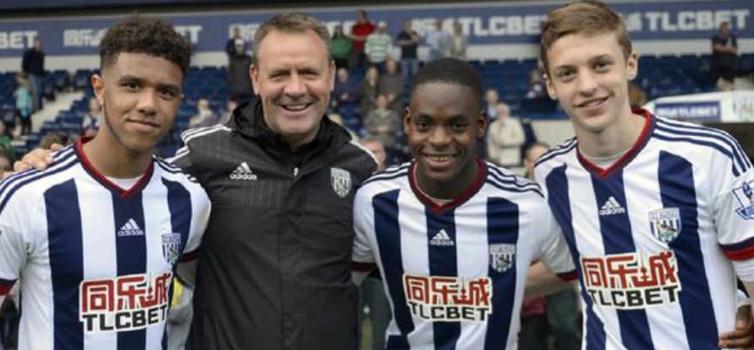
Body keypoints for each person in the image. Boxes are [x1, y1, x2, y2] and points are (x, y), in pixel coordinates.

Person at [534, 1, 754, 348]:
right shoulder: (551, 174)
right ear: (550, 85)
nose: (587, 85)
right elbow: (567, 264)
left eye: (601, 65)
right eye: (567, 73)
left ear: (630, 64)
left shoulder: (709, 156)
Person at [0, 15, 210, 350]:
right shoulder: (27, 195)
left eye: (166, 92)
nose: (148, 105)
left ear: (179, 101)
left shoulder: (190, 199)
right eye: (132, 85)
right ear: (99, 88)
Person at [172, 13, 377, 348]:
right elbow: (126, 189)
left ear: (330, 76)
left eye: (309, 73)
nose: (295, 89)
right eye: (280, 74)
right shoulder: (202, 156)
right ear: (255, 78)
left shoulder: (361, 168)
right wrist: (57, 160)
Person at [351, 57, 577, 349]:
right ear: (408, 123)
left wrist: (507, 285)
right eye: (424, 124)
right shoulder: (375, 200)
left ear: (480, 125)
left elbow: (568, 269)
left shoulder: (524, 205)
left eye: (457, 125)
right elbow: (342, 284)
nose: (440, 139)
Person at [524, 142, 582, 350]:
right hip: (529, 274)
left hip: (559, 271)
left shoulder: (565, 188)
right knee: (531, 336)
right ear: (526, 163)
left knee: (565, 328)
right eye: (534, 159)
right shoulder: (516, 196)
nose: (539, 164)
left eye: (544, 157)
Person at [486, 102, 525, 167]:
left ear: (507, 112)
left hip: (511, 158)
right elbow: (490, 142)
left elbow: (521, 139)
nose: (501, 113)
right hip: (497, 159)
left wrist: (506, 142)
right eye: (499, 112)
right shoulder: (493, 125)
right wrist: (492, 156)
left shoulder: (514, 123)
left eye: (503, 111)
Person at [711, 21, 738, 91]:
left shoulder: (732, 38)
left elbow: (734, 50)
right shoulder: (716, 37)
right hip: (719, 64)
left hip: (730, 64)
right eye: (724, 28)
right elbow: (717, 47)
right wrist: (728, 49)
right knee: (719, 84)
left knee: (729, 84)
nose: (726, 29)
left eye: (727, 28)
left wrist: (723, 48)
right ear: (720, 28)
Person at [227, 37, 253, 105]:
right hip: (236, 94)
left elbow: (253, 74)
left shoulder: (250, 59)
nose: (239, 48)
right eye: (237, 46)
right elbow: (230, 76)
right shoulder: (232, 61)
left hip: (249, 93)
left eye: (241, 46)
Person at [21, 37, 44, 112]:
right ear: (34, 43)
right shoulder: (29, 52)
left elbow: (41, 65)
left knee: (39, 92)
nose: (38, 44)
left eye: (39, 43)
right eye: (37, 43)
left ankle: (39, 107)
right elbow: (24, 63)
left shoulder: (41, 54)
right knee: (35, 91)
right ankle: (35, 109)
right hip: (31, 74)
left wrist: (42, 73)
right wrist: (26, 71)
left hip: (39, 75)